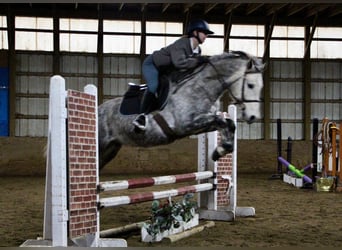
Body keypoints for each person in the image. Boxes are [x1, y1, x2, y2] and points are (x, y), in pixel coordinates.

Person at [133, 19, 214, 131]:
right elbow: (179, 63)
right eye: (204, 33)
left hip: (168, 70)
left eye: (206, 34)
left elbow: (190, 68)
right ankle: (141, 116)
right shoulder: (182, 44)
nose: (206, 36)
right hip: (153, 65)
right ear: (195, 32)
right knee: (153, 86)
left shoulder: (197, 50)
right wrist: (197, 61)